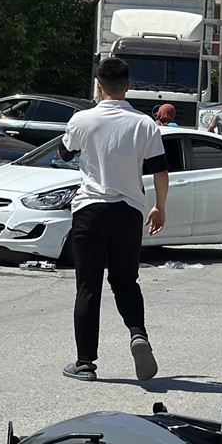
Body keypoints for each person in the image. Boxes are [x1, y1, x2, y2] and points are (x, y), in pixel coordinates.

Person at [57, 57, 168, 383]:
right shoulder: (144, 124)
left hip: (90, 211)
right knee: (125, 282)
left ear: (98, 85)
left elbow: (64, 152)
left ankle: (85, 364)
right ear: (129, 85)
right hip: (129, 213)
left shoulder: (82, 120)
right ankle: (138, 335)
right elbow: (161, 171)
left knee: (88, 288)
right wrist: (159, 207)